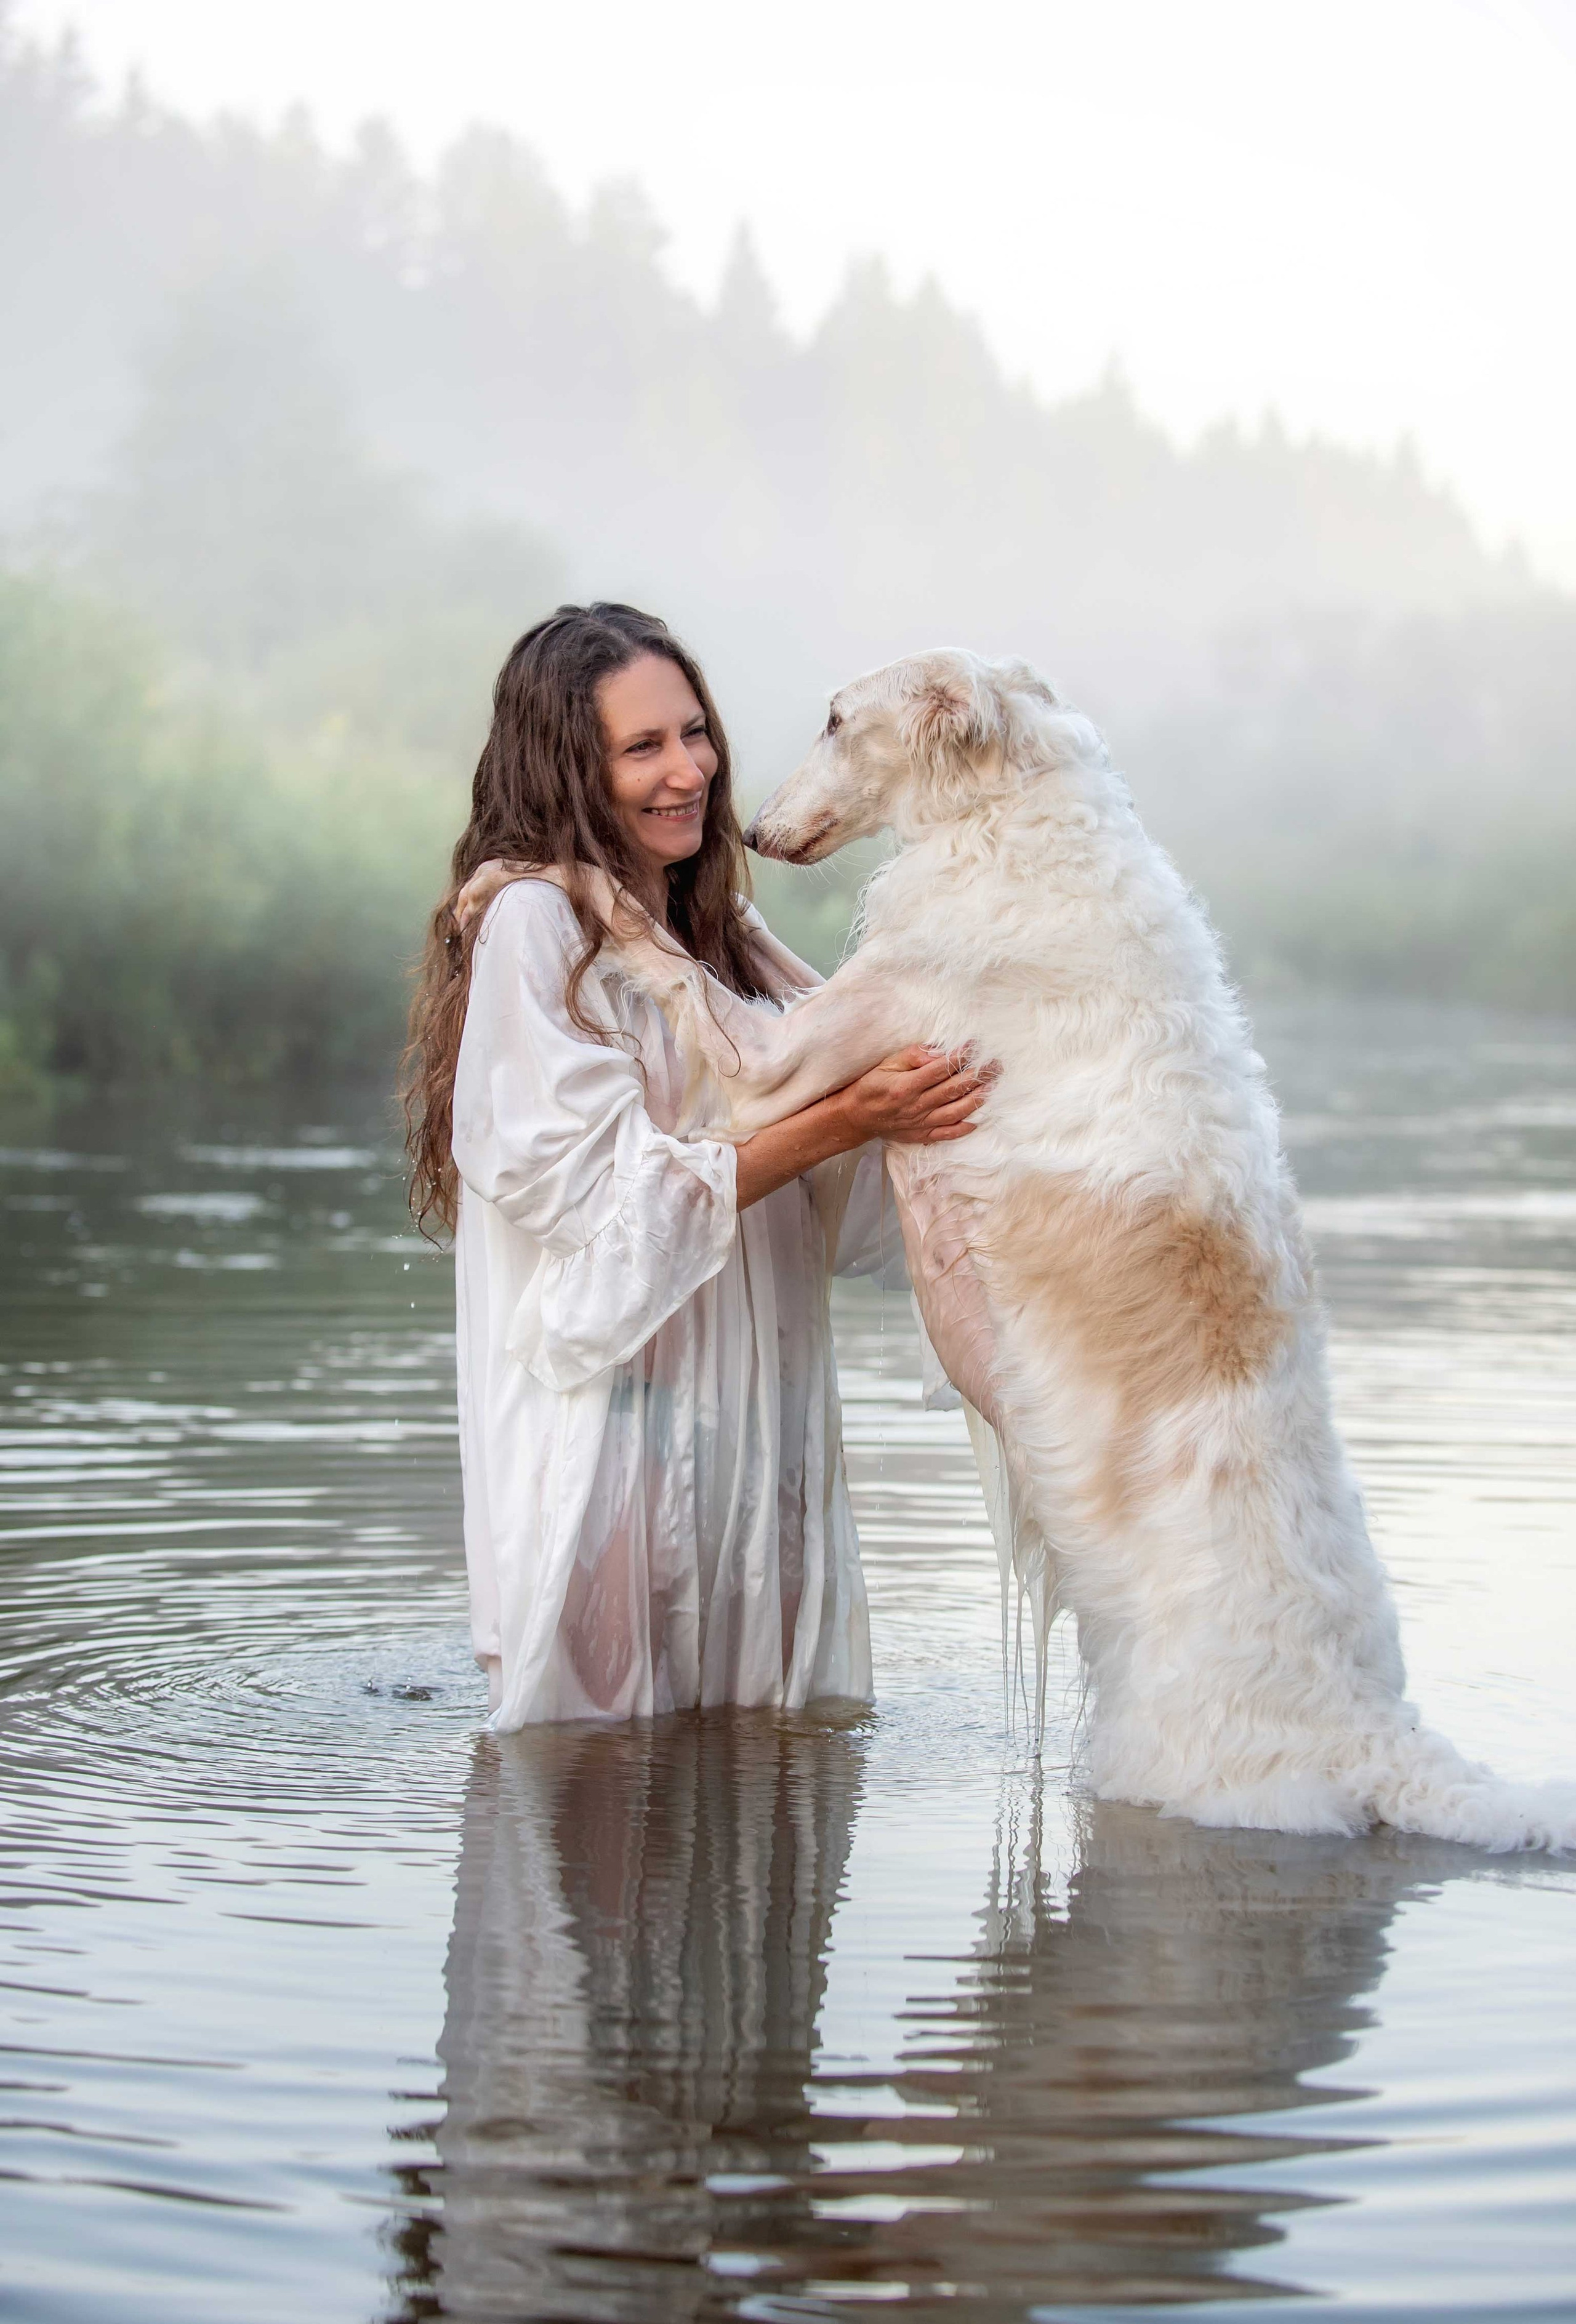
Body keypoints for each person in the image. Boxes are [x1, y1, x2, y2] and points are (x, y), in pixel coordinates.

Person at [403, 602, 991, 1728]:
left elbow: (859, 1209)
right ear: (569, 769)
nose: (690, 772)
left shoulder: (718, 934)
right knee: (601, 1788)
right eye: (642, 748)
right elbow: (593, 1199)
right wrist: (847, 1116)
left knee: (756, 1771)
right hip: (619, 1426)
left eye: (694, 733)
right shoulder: (538, 924)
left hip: (754, 1420)